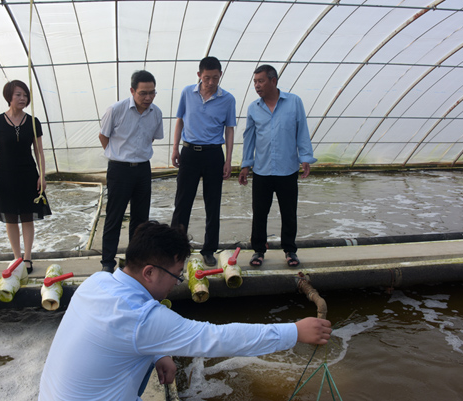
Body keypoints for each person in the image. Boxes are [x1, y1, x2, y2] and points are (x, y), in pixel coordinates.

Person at [38, 221, 331, 401]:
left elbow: (123, 335)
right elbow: (218, 338)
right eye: (176, 275)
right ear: (149, 272)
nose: (177, 283)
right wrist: (294, 331)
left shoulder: (97, 282)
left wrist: (158, 353)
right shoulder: (142, 319)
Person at [239, 65, 317, 268]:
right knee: (259, 213)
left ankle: (290, 251)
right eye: (255, 82)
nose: (257, 86)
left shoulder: (294, 102)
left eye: (261, 81)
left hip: (287, 169)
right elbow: (249, 138)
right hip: (262, 170)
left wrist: (305, 157)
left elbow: (301, 130)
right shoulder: (253, 108)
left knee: (289, 213)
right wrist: (246, 165)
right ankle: (258, 251)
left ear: (273, 81)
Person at [170, 56, 236, 267]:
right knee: (182, 203)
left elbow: (229, 130)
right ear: (199, 75)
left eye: (215, 78)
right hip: (189, 153)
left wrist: (228, 160)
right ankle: (176, 249)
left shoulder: (228, 99)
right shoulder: (187, 93)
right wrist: (175, 148)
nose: (211, 82)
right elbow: (180, 120)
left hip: (213, 154)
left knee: (213, 204)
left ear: (220, 75)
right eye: (207, 78)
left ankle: (209, 250)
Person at [99, 70, 164, 272]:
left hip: (143, 169)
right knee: (114, 216)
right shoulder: (116, 110)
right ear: (132, 91)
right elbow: (103, 136)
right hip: (119, 169)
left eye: (152, 93)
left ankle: (135, 260)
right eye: (143, 93)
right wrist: (118, 155)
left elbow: (151, 138)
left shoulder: (156, 113)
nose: (148, 97)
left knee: (141, 219)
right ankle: (108, 262)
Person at [0, 80, 51, 274]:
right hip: (4, 174)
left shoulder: (33, 122)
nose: (23, 98)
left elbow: (39, 151)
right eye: (18, 95)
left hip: (28, 174)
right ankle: (17, 258)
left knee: (27, 216)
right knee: (10, 218)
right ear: (9, 97)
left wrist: (42, 175)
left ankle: (28, 257)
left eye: (25, 95)